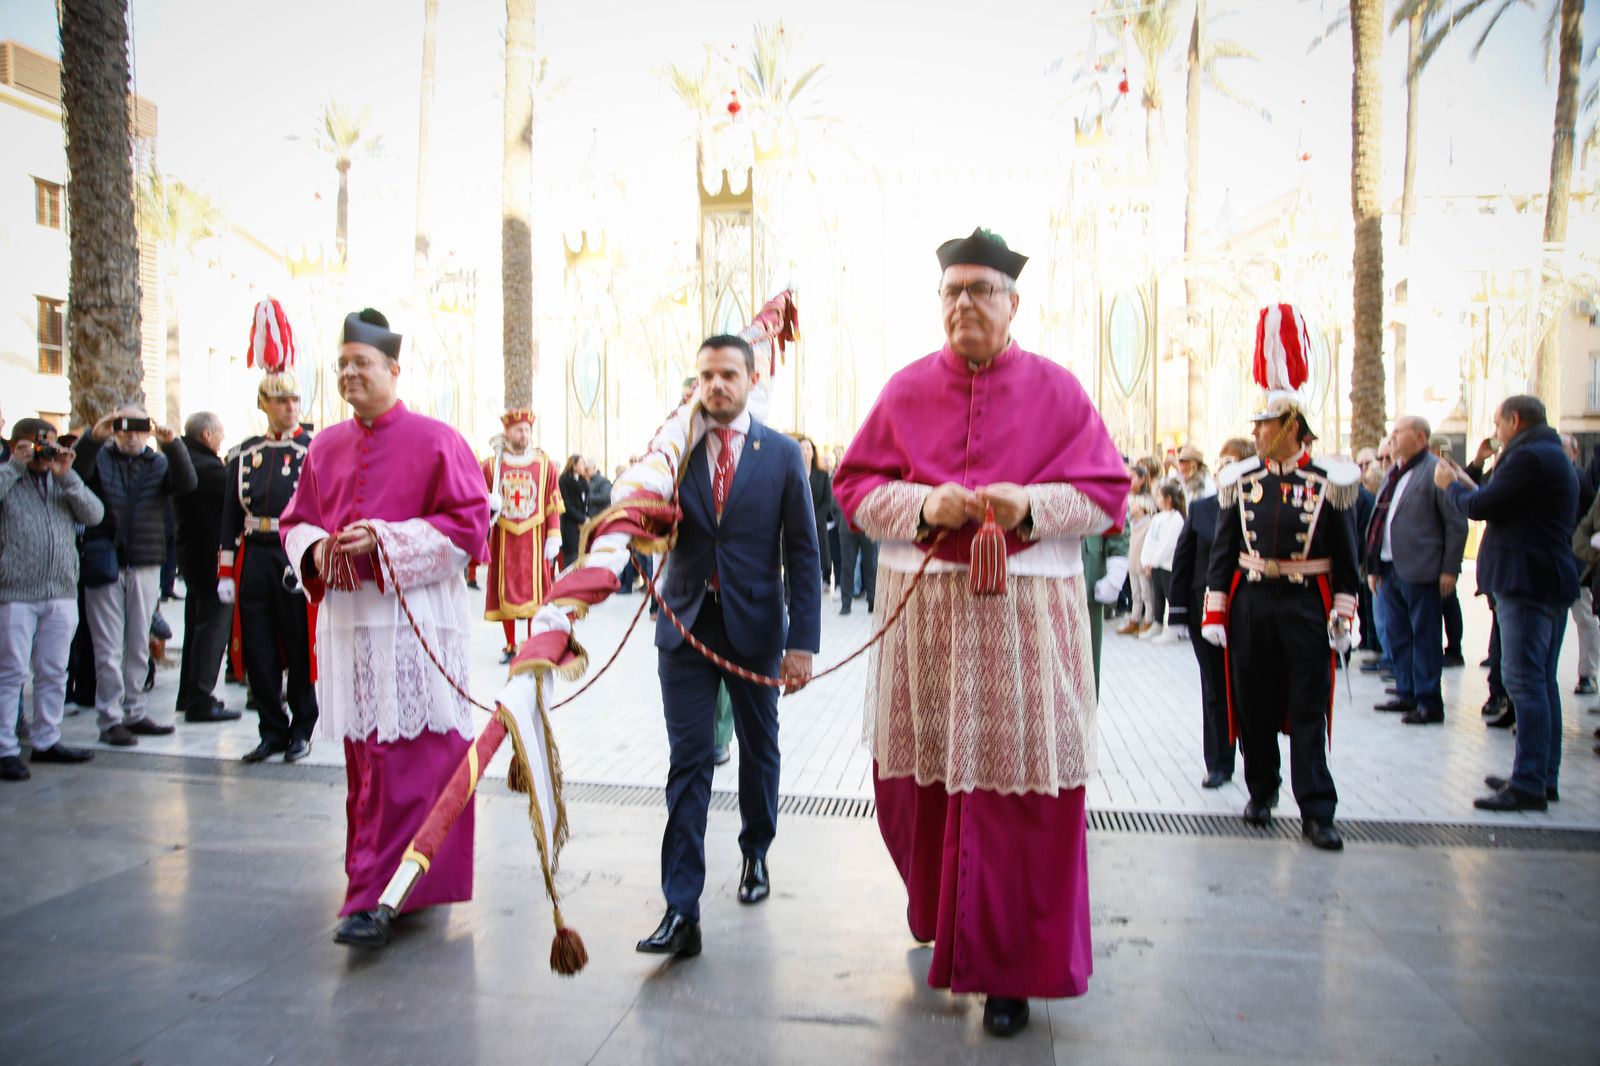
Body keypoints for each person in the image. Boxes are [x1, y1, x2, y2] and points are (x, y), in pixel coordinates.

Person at [833, 228, 1128, 1037]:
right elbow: (855, 486)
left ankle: (1008, 973)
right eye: (952, 292)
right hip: (925, 620)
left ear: (1013, 303)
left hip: (1023, 629)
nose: (965, 304)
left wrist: (1026, 505)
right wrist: (928, 506)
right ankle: (939, 915)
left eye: (981, 291)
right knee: (916, 793)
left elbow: (1107, 492)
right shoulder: (901, 391)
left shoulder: (1059, 390)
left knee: (1016, 801)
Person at [280, 308, 490, 947]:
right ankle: (375, 887)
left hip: (413, 625)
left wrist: (387, 540)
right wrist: (317, 551)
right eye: (341, 364)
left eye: (360, 364)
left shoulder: (436, 439)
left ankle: (380, 896)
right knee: (367, 763)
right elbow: (296, 522)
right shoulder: (323, 446)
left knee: (412, 762)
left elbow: (469, 527)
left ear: (393, 369)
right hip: (350, 626)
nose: (348, 374)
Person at [635, 334, 821, 961]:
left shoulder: (782, 455)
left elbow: (802, 551)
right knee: (688, 761)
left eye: (728, 375)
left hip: (755, 628)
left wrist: (802, 644)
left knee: (758, 748)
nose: (716, 386)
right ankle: (681, 907)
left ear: (751, 377)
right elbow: (640, 516)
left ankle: (755, 852)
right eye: (706, 376)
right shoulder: (674, 452)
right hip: (684, 626)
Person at [1201, 303, 1358, 852]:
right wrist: (1215, 609)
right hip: (1250, 606)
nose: (1257, 433)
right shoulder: (1240, 480)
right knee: (1254, 705)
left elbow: (1347, 559)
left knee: (1309, 706)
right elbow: (1223, 551)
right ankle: (1262, 789)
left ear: (1290, 426)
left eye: (1264, 424)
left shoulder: (1329, 482)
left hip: (1304, 605)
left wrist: (1343, 612)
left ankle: (1317, 809)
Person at [1435, 395, 1577, 811]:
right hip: (1545, 579)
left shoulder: (1528, 457)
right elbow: (1505, 503)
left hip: (1528, 584)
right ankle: (1538, 775)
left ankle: (1530, 783)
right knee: (1541, 682)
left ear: (1515, 420)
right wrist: (1469, 482)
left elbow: (1481, 507)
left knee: (1526, 683)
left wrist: (1451, 489)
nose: (1495, 433)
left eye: (1498, 424)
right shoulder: (1547, 454)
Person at [221, 300, 319, 763]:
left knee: (298, 646)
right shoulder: (245, 452)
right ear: (263, 404)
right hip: (255, 555)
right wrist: (225, 570)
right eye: (281, 400)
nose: (289, 407)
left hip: (293, 554)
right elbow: (228, 514)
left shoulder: (312, 450)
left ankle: (302, 727)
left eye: (294, 400)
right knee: (258, 648)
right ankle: (271, 730)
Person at [74, 403, 197, 746]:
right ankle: (110, 718)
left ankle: (135, 712)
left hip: (145, 560)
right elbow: (74, 476)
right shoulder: (99, 457)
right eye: (124, 425)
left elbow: (187, 483)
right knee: (108, 646)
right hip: (106, 562)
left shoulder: (157, 462)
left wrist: (172, 444)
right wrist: (92, 438)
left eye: (140, 426)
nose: (132, 433)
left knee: (138, 643)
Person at [0, 419, 104, 780]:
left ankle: (47, 740)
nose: (43, 452)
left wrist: (67, 475)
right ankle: (5, 748)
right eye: (35, 445)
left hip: (60, 591)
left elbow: (95, 515)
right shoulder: (8, 479)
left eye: (48, 444)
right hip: (15, 592)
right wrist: (15, 465)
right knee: (11, 673)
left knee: (54, 671)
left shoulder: (62, 482)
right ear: (16, 445)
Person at [1366, 416, 1468, 726]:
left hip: (1422, 569)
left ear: (1421, 437)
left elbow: (1456, 523)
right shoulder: (1393, 474)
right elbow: (1381, 519)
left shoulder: (1435, 471)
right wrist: (1373, 566)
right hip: (1388, 568)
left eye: (1399, 432)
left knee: (1424, 636)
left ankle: (1428, 701)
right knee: (1397, 634)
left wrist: (1450, 569)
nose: (1392, 437)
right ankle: (1407, 692)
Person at [1169, 437, 1253, 788]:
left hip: (1250, 610)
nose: (1224, 469)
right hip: (1205, 612)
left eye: (1232, 462)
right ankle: (1219, 762)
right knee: (1215, 688)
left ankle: (1258, 765)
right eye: (1222, 462)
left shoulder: (1260, 505)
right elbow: (1183, 560)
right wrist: (1177, 612)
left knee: (1249, 689)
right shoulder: (1203, 509)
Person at [173, 411, 239, 724]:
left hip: (190, 555)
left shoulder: (185, 460)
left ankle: (189, 694)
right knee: (213, 627)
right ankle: (201, 697)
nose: (223, 437)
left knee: (196, 627)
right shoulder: (210, 469)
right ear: (207, 436)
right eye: (221, 432)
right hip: (209, 559)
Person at [481, 409, 561, 664]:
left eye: (527, 429)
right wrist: (488, 505)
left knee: (535, 593)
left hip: (534, 540)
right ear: (507, 432)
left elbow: (552, 503)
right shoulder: (492, 466)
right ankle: (509, 645)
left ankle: (531, 643)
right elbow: (477, 500)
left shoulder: (545, 466)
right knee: (505, 591)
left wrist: (553, 536)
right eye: (518, 430)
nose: (523, 434)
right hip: (504, 538)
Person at [1561, 433, 1598, 694]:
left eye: (1562, 448)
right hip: (1556, 562)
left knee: (1585, 618)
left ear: (1575, 452)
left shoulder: (1580, 480)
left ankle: (1588, 674)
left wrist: (1584, 554)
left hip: (1577, 564)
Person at [1141, 481, 1186, 643]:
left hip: (1167, 564)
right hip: (1155, 564)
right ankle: (1157, 623)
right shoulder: (1158, 517)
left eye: (1159, 496)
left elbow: (1169, 543)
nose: (1157, 499)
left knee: (1170, 595)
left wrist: (1154, 560)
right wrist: (1146, 560)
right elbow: (1149, 540)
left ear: (1168, 498)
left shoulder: (1176, 518)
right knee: (1157, 595)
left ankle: (1174, 628)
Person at [798, 436, 838, 592]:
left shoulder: (821, 475)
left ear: (813, 453)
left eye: (807, 448)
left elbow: (827, 501)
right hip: (798, 524)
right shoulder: (793, 472)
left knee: (819, 557)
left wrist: (815, 519)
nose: (804, 452)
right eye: (801, 448)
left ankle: (821, 582)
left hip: (817, 524)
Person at [558, 454, 588, 567]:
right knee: (571, 560)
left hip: (582, 526)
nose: (584, 466)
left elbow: (585, 503)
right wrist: (582, 519)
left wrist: (585, 519)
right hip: (570, 526)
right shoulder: (564, 481)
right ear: (573, 465)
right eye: (581, 463)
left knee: (581, 560)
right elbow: (567, 505)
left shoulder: (582, 481)